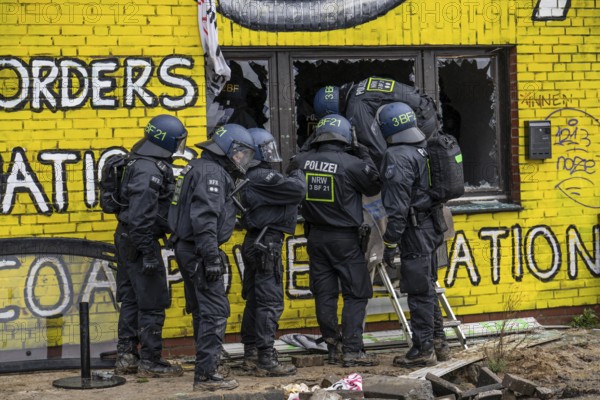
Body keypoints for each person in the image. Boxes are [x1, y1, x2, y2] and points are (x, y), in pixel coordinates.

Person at [168, 123, 257, 391]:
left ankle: (207, 365)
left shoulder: (199, 166)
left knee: (201, 311)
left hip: (188, 248)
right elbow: (205, 218)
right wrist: (210, 257)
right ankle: (207, 375)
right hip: (199, 249)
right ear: (228, 148)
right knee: (215, 312)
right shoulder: (212, 174)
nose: (241, 159)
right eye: (239, 153)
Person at [291, 114, 381, 367]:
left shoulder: (301, 161)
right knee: (356, 293)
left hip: (315, 237)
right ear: (345, 137)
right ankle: (352, 349)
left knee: (325, 294)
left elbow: (294, 164)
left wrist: (309, 145)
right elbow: (374, 185)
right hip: (345, 240)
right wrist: (363, 153)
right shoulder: (352, 164)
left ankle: (333, 346)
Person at [113, 114, 187, 377]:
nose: (180, 145)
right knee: (153, 302)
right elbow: (141, 216)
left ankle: (126, 357)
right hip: (139, 241)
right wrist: (147, 252)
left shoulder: (140, 160)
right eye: (178, 141)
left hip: (128, 238)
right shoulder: (149, 169)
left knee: (131, 300)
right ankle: (150, 361)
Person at [377, 102, 445, 367]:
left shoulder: (397, 156)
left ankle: (423, 350)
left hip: (415, 231)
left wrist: (390, 243)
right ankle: (440, 343)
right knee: (427, 286)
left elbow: (397, 210)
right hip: (432, 227)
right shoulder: (423, 148)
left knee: (418, 291)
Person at [239, 128, 306, 376]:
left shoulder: (249, 175)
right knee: (269, 301)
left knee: (256, 300)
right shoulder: (261, 176)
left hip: (257, 241)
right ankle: (265, 359)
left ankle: (251, 354)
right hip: (266, 243)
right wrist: (297, 171)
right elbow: (298, 190)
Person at [312, 77, 440, 168]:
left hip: (421, 120)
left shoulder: (355, 109)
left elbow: (378, 150)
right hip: (426, 109)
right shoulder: (360, 86)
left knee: (394, 163)